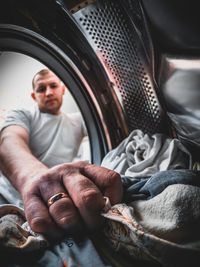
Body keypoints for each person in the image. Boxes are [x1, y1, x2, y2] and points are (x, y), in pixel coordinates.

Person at [0, 69, 123, 241]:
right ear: (34, 96)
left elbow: (108, 124)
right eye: (41, 89)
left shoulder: (77, 121)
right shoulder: (24, 115)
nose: (49, 92)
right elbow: (8, 142)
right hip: (12, 195)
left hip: (57, 199)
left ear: (63, 89)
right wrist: (34, 178)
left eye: (53, 86)